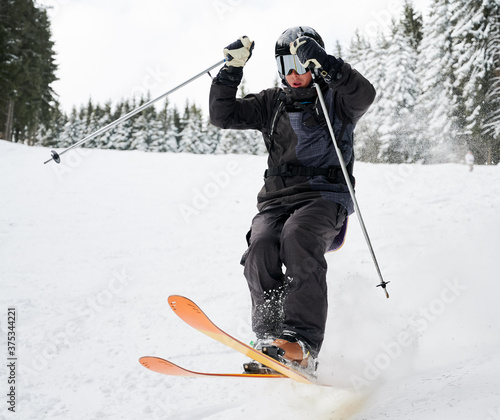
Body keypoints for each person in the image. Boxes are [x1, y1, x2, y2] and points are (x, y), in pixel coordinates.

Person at [209, 26, 376, 374]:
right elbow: (222, 116)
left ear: (314, 64)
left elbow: (365, 94)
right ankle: (270, 336)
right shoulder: (272, 103)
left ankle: (301, 341)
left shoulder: (337, 100)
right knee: (262, 246)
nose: (294, 74)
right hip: (277, 201)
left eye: (301, 64)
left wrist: (330, 65)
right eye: (286, 65)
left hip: (325, 198)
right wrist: (230, 71)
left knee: (297, 236)